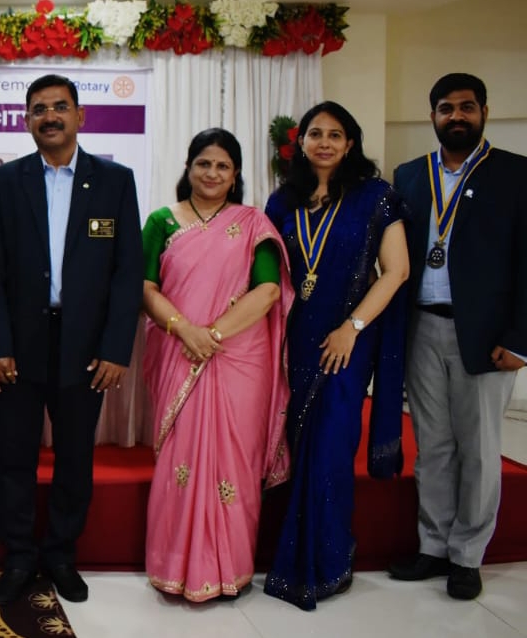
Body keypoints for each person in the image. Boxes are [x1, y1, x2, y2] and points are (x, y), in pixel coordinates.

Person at [0, 74, 143, 606]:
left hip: (85, 347)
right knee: (16, 458)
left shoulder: (114, 181)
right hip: (18, 347)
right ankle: (19, 557)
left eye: (60, 107)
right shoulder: (4, 182)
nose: (50, 116)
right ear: (27, 120)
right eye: (39, 109)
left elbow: (127, 272)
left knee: (75, 458)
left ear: (80, 116)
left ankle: (61, 556)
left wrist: (116, 349)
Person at [263, 101, 410, 610]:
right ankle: (296, 553)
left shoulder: (376, 196)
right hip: (293, 341)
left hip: (347, 343)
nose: (324, 142)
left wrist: (353, 328)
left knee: (328, 448)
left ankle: (327, 562)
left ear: (350, 144)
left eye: (335, 134)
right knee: (296, 445)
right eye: (315, 133)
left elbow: (396, 271)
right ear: (300, 142)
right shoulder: (283, 201)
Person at [389, 73, 527, 601]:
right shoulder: (409, 175)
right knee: (433, 447)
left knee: (481, 449)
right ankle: (433, 545)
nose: (457, 117)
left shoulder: (514, 174)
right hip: (421, 326)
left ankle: (468, 555)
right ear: (433, 116)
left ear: (484, 112)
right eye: (446, 108)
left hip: (486, 334)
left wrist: (521, 339)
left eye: (467, 107)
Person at [141, 128, 292, 602]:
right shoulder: (162, 221)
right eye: (203, 163)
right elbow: (144, 287)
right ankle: (173, 567)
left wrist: (213, 335)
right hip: (177, 349)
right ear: (188, 167)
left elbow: (268, 291)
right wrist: (185, 330)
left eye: (222, 165)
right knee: (179, 462)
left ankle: (231, 569)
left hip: (238, 360)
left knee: (234, 464)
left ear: (236, 174)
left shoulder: (252, 223)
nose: (212, 173)